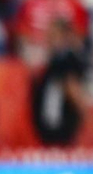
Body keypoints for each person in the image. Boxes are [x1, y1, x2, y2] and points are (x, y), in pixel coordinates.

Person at [31, 17, 90, 146]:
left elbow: (71, 86)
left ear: (65, 36)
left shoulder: (66, 58)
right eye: (48, 35)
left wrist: (84, 115)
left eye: (53, 35)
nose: (49, 39)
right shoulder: (54, 59)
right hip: (50, 129)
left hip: (59, 129)